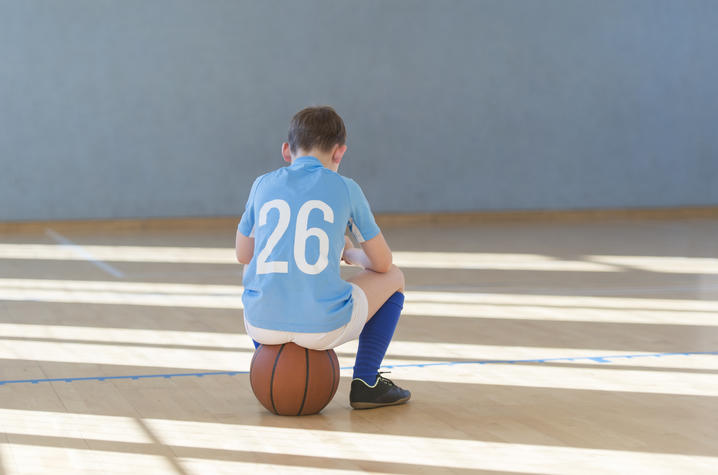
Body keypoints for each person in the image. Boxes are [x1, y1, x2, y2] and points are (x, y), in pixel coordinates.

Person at [235, 106, 410, 409]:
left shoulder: (262, 184)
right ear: (339, 153)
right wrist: (350, 253)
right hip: (322, 327)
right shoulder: (346, 188)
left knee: (253, 266)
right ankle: (367, 381)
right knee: (395, 277)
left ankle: (268, 356)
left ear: (286, 150)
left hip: (260, 324)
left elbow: (243, 254)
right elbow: (383, 264)